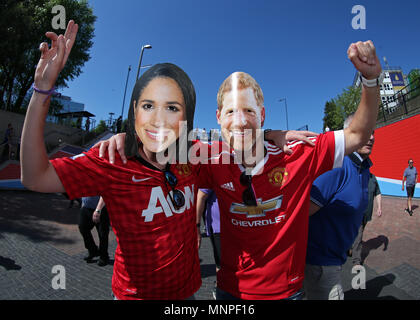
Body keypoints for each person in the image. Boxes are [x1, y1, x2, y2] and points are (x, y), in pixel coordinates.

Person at [99, 39, 382, 300]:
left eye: (249, 111)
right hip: (230, 293)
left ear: (262, 115)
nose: (241, 120)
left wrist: (370, 80)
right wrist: (127, 138)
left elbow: (357, 134)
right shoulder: (209, 158)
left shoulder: (298, 153)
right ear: (219, 117)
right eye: (232, 111)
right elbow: (158, 145)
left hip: (287, 294)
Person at [20, 21, 201, 300]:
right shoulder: (112, 159)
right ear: (135, 112)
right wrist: (42, 91)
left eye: (173, 108)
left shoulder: (195, 155)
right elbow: (34, 177)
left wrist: (277, 133)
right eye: (149, 105)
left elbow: (247, 148)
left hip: (186, 294)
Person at [303, 114, 376, 300]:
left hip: (337, 259)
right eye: (365, 131)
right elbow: (302, 214)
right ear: (348, 134)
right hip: (320, 264)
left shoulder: (364, 168)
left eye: (373, 131)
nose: (372, 137)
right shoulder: (336, 166)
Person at [350, 172, 382, 266]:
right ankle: (356, 261)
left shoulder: (373, 178)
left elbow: (378, 193)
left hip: (367, 213)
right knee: (359, 236)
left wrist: (379, 207)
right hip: (356, 212)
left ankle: (349, 247)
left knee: (358, 232)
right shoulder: (356, 176)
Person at [196, 189, 221, 299]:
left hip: (237, 225)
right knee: (221, 264)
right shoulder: (217, 172)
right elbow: (200, 196)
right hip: (218, 227)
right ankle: (219, 288)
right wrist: (196, 226)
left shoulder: (248, 172)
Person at [79, 196, 110, 266]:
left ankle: (104, 256)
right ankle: (93, 250)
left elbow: (104, 194)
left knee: (102, 234)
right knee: (83, 228)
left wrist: (98, 210)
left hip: (101, 209)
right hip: (86, 207)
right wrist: (83, 204)